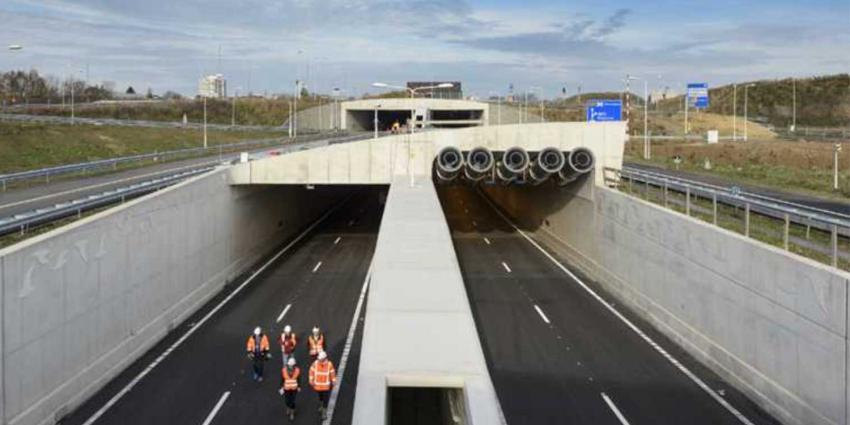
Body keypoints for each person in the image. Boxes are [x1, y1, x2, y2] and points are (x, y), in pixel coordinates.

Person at [309, 350, 336, 420]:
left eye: (320, 359)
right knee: (320, 397)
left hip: (326, 386)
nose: (319, 360)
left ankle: (324, 412)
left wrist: (333, 381)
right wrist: (311, 380)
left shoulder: (329, 364)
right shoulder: (315, 363)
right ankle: (321, 406)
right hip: (318, 386)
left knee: (325, 399)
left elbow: (332, 373)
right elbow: (311, 371)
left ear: (324, 358)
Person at [278, 357, 301, 421]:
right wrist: (281, 386)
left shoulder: (297, 370)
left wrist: (299, 386)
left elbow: (299, 379)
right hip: (286, 388)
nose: (291, 366)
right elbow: (282, 379)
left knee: (292, 401)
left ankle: (292, 413)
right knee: (287, 400)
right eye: (290, 365)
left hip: (294, 388)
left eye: (292, 365)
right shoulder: (284, 370)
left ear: (294, 365)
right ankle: (288, 407)